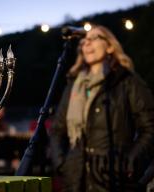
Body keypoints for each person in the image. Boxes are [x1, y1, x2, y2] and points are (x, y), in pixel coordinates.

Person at [50, 24, 154, 191]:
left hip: (112, 179)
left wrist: (130, 161)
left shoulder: (127, 81)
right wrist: (62, 163)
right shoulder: (74, 85)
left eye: (94, 38)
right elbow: (57, 129)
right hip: (75, 179)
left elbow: (150, 127)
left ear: (110, 46)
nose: (86, 43)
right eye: (84, 41)